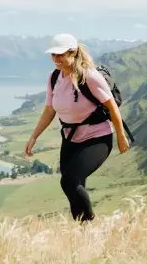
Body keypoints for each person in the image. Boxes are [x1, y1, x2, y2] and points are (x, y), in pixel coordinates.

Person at [24, 33, 130, 222]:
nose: (56, 59)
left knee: (69, 181)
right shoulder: (54, 77)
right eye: (53, 55)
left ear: (73, 53)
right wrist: (34, 137)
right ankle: (81, 230)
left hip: (97, 138)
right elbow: (49, 110)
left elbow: (112, 106)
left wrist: (121, 137)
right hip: (70, 139)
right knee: (73, 184)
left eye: (60, 54)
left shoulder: (89, 76)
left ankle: (89, 224)